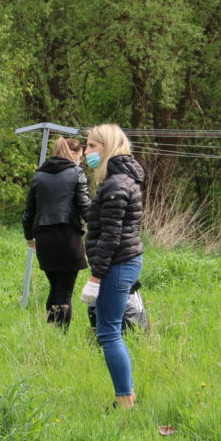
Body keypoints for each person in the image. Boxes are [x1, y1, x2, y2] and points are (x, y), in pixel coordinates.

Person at [78, 124, 145, 409]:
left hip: (117, 263)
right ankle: (126, 396)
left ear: (105, 147)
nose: (87, 152)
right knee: (110, 330)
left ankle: (125, 401)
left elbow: (111, 236)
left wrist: (96, 276)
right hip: (121, 262)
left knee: (109, 331)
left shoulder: (117, 184)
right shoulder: (120, 180)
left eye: (91, 146)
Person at [22, 136, 90, 328]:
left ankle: (51, 331)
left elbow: (28, 213)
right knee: (65, 292)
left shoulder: (38, 176)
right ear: (74, 154)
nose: (82, 160)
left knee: (55, 287)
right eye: (81, 156)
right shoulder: (77, 173)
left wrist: (29, 238)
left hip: (44, 238)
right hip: (68, 237)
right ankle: (60, 335)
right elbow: (85, 207)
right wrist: (101, 225)